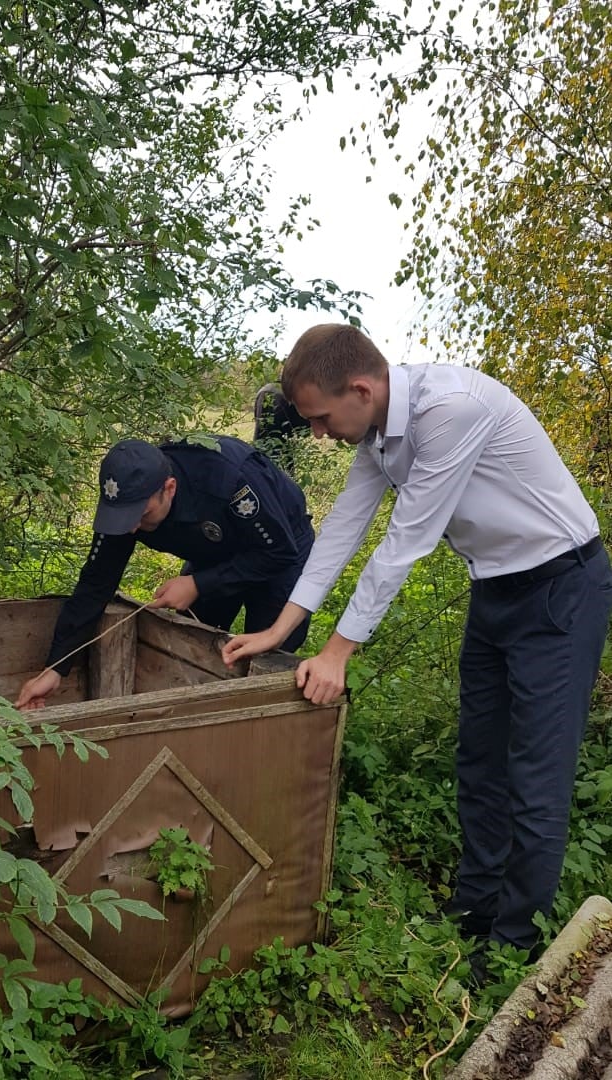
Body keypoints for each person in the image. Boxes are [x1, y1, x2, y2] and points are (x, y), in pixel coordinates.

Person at [222, 323, 612, 966]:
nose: (317, 433)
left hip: (561, 590)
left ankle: (510, 948)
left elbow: (405, 543)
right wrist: (279, 630)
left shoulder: (451, 411)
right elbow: (344, 528)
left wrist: (338, 653)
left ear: (360, 389)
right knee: (479, 761)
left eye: (320, 418)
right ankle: (473, 910)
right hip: (496, 589)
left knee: (535, 776)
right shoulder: (378, 432)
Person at [15, 435, 315, 709]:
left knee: (267, 656)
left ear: (169, 488)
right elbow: (96, 582)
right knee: (193, 646)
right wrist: (56, 667)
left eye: (141, 515)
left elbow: (279, 551)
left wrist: (198, 584)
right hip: (213, 553)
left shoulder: (229, 480)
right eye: (122, 518)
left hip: (279, 548)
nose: (131, 528)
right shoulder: (126, 503)